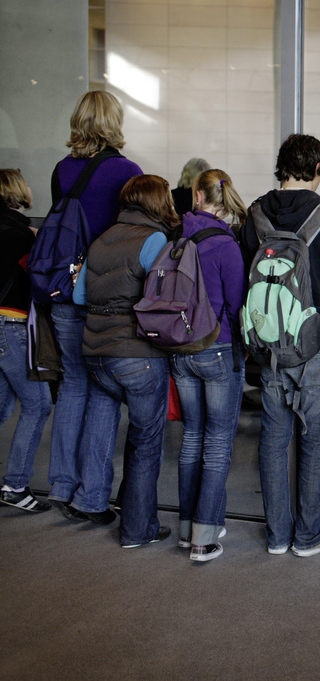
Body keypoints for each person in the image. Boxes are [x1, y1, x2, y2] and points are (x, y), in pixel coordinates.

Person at [240, 134, 320, 557]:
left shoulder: (254, 214)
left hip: (269, 342)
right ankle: (309, 536)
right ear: (316, 171)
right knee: (317, 442)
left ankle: (277, 536)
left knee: (274, 440)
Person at [70, 175, 179, 547]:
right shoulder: (155, 240)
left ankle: (92, 498)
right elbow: (161, 300)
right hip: (136, 355)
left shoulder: (101, 238)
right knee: (145, 441)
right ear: (158, 201)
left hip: (95, 355)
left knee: (102, 423)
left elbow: (80, 296)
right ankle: (137, 528)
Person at [48, 90, 142, 520]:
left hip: (62, 292)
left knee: (72, 387)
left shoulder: (61, 170)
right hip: (105, 295)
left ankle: (62, 487)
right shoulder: (126, 171)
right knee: (104, 392)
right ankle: (91, 496)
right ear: (113, 122)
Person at [171, 168, 247, 562]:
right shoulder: (225, 245)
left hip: (180, 350)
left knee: (192, 439)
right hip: (217, 350)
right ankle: (204, 536)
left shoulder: (178, 236)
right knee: (217, 445)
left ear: (197, 197)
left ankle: (187, 530)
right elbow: (236, 305)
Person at [0, 170, 54, 514]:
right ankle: (15, 485)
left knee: (3, 406)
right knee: (38, 404)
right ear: (19, 192)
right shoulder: (20, 236)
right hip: (12, 325)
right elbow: (40, 282)